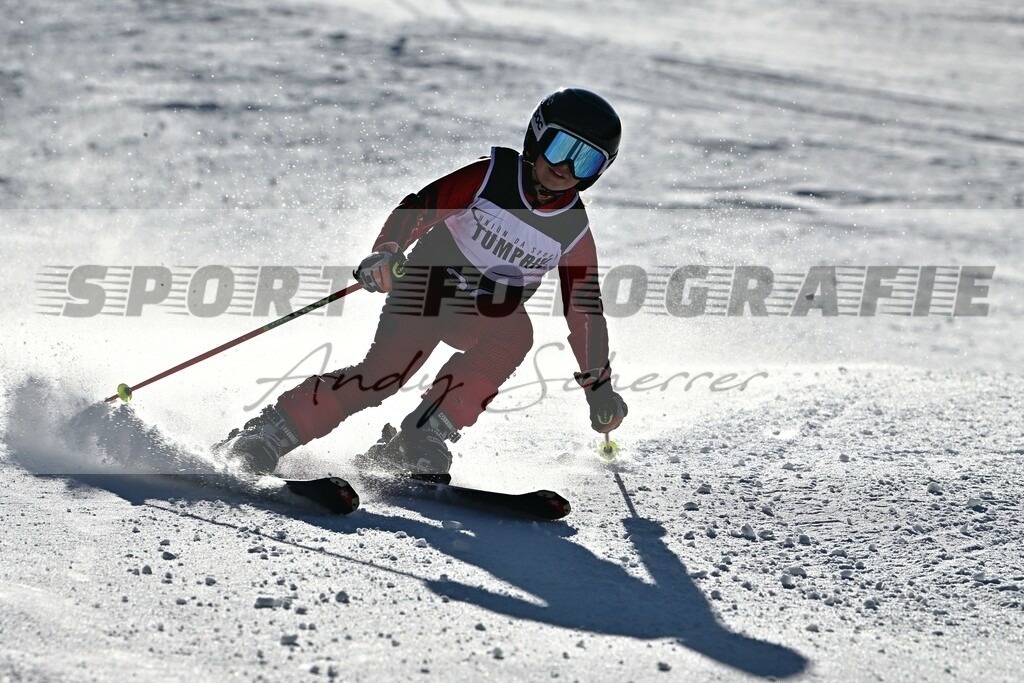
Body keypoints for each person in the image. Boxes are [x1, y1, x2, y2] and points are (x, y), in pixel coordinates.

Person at [218, 87, 628, 477]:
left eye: (585, 160)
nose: (565, 168)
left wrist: (599, 386)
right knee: (383, 377)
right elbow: (420, 207)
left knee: (515, 333)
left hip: (484, 312)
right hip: (428, 291)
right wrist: (388, 251)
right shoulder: (492, 177)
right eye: (560, 149)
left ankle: (421, 436)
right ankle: (270, 432)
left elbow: (585, 310)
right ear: (537, 139)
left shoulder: (573, 229)